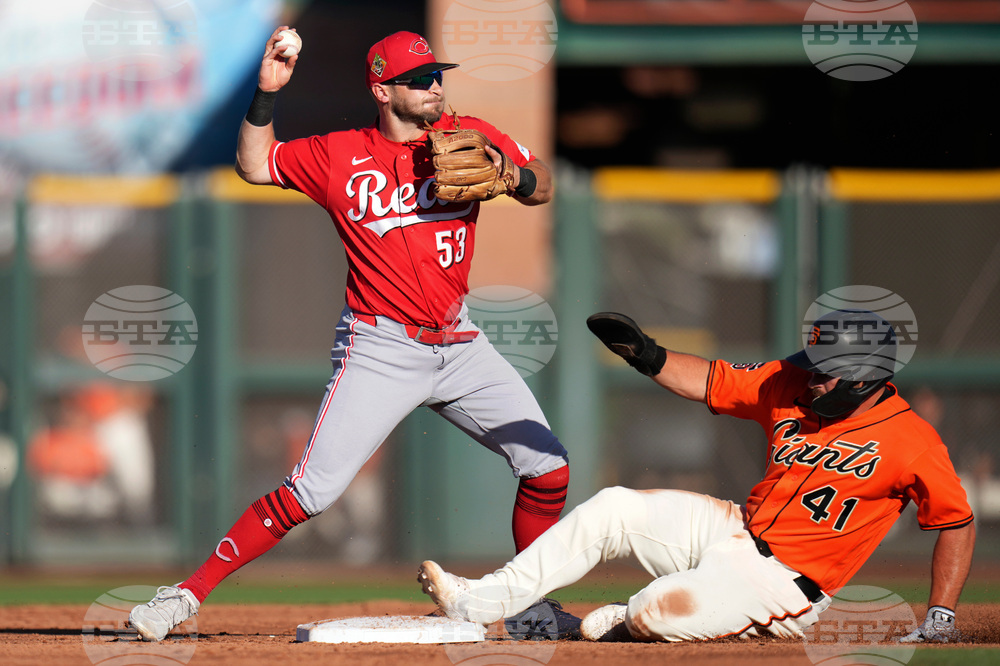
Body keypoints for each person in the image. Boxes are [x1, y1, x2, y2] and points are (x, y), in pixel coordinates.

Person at [129, 28, 570, 641]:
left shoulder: (467, 134)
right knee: (310, 490)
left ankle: (531, 609)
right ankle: (183, 596)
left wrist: (515, 178)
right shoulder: (339, 154)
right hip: (381, 345)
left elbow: (544, 180)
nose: (433, 86)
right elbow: (255, 164)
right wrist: (265, 94)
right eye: (418, 80)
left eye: (436, 75)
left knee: (547, 467)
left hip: (460, 342)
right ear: (382, 89)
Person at [418, 309, 975, 643]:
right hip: (732, 527)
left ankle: (630, 618)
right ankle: (483, 601)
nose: (810, 377)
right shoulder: (790, 384)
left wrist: (941, 614)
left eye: (826, 372)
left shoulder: (912, 441)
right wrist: (648, 355)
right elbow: (712, 379)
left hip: (785, 585)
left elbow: (957, 520)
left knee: (655, 611)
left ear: (862, 378)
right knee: (614, 506)